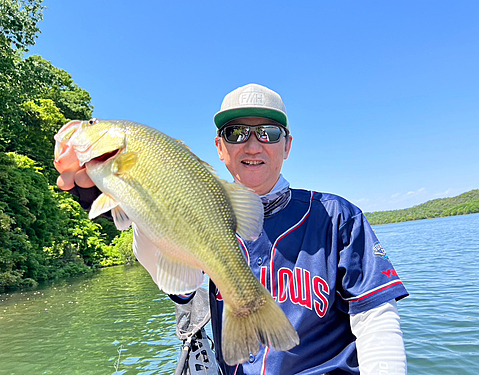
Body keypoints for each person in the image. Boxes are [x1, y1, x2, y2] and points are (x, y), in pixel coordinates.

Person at [56, 83, 409, 375]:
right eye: (236, 133)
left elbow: (376, 320)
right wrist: (136, 210)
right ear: (220, 148)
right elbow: (180, 285)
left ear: (287, 145)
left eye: (268, 133)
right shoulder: (201, 206)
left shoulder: (337, 216)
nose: (253, 145)